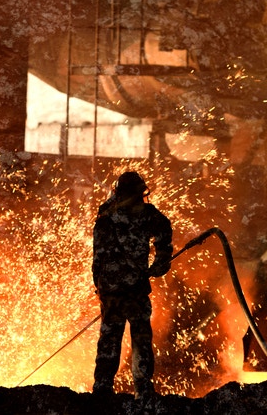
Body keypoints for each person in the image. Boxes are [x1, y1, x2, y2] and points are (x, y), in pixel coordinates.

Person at [92, 171, 173, 401]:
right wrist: (161, 262)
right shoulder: (146, 215)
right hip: (134, 289)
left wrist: (99, 287)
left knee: (111, 337)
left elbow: (97, 258)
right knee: (140, 338)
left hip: (113, 292)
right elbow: (164, 231)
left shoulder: (105, 216)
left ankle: (103, 388)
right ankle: (143, 389)